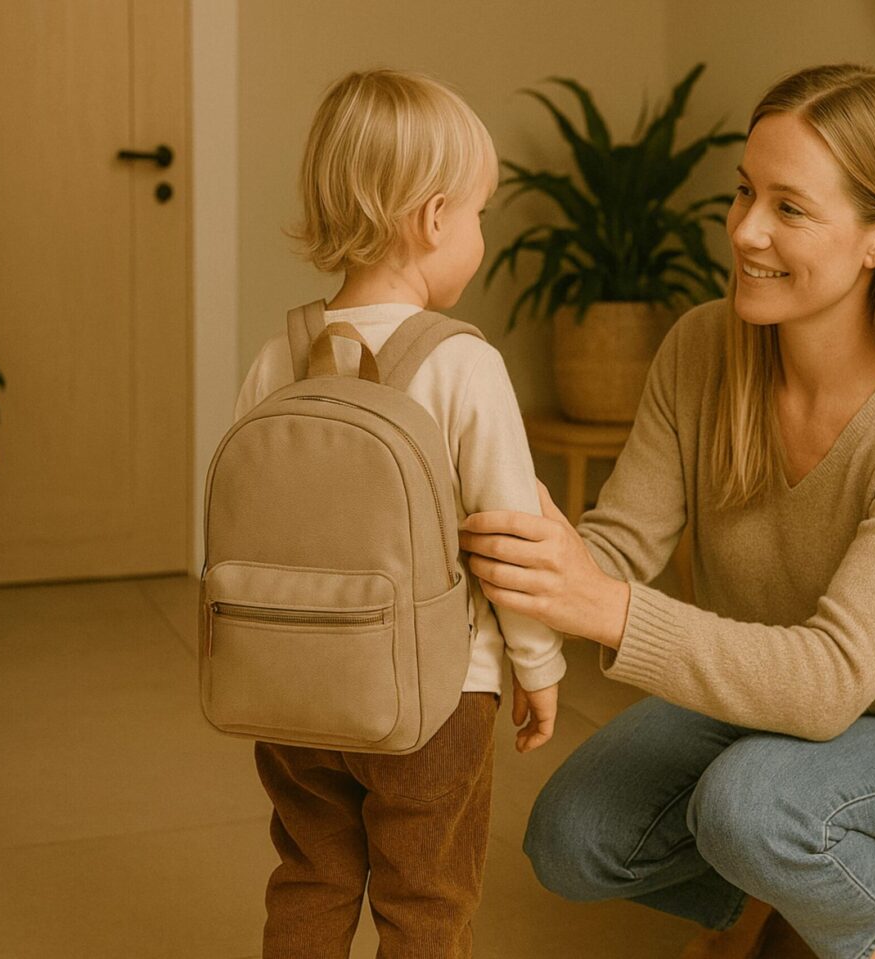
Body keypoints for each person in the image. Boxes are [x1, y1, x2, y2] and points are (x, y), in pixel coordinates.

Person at [457, 64, 875, 959]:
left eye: (789, 207)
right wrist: (518, 554)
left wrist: (606, 608)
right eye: (745, 192)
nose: (746, 230)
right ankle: (771, 891)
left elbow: (833, 677)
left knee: (747, 805)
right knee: (570, 838)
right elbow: (618, 544)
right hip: (760, 708)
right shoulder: (701, 347)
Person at [233, 69, 565, 959]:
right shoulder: (464, 364)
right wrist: (537, 662)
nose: (481, 235)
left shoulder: (278, 356)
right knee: (427, 897)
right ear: (433, 217)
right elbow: (510, 537)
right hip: (436, 696)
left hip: (297, 694)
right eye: (480, 214)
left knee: (309, 876)